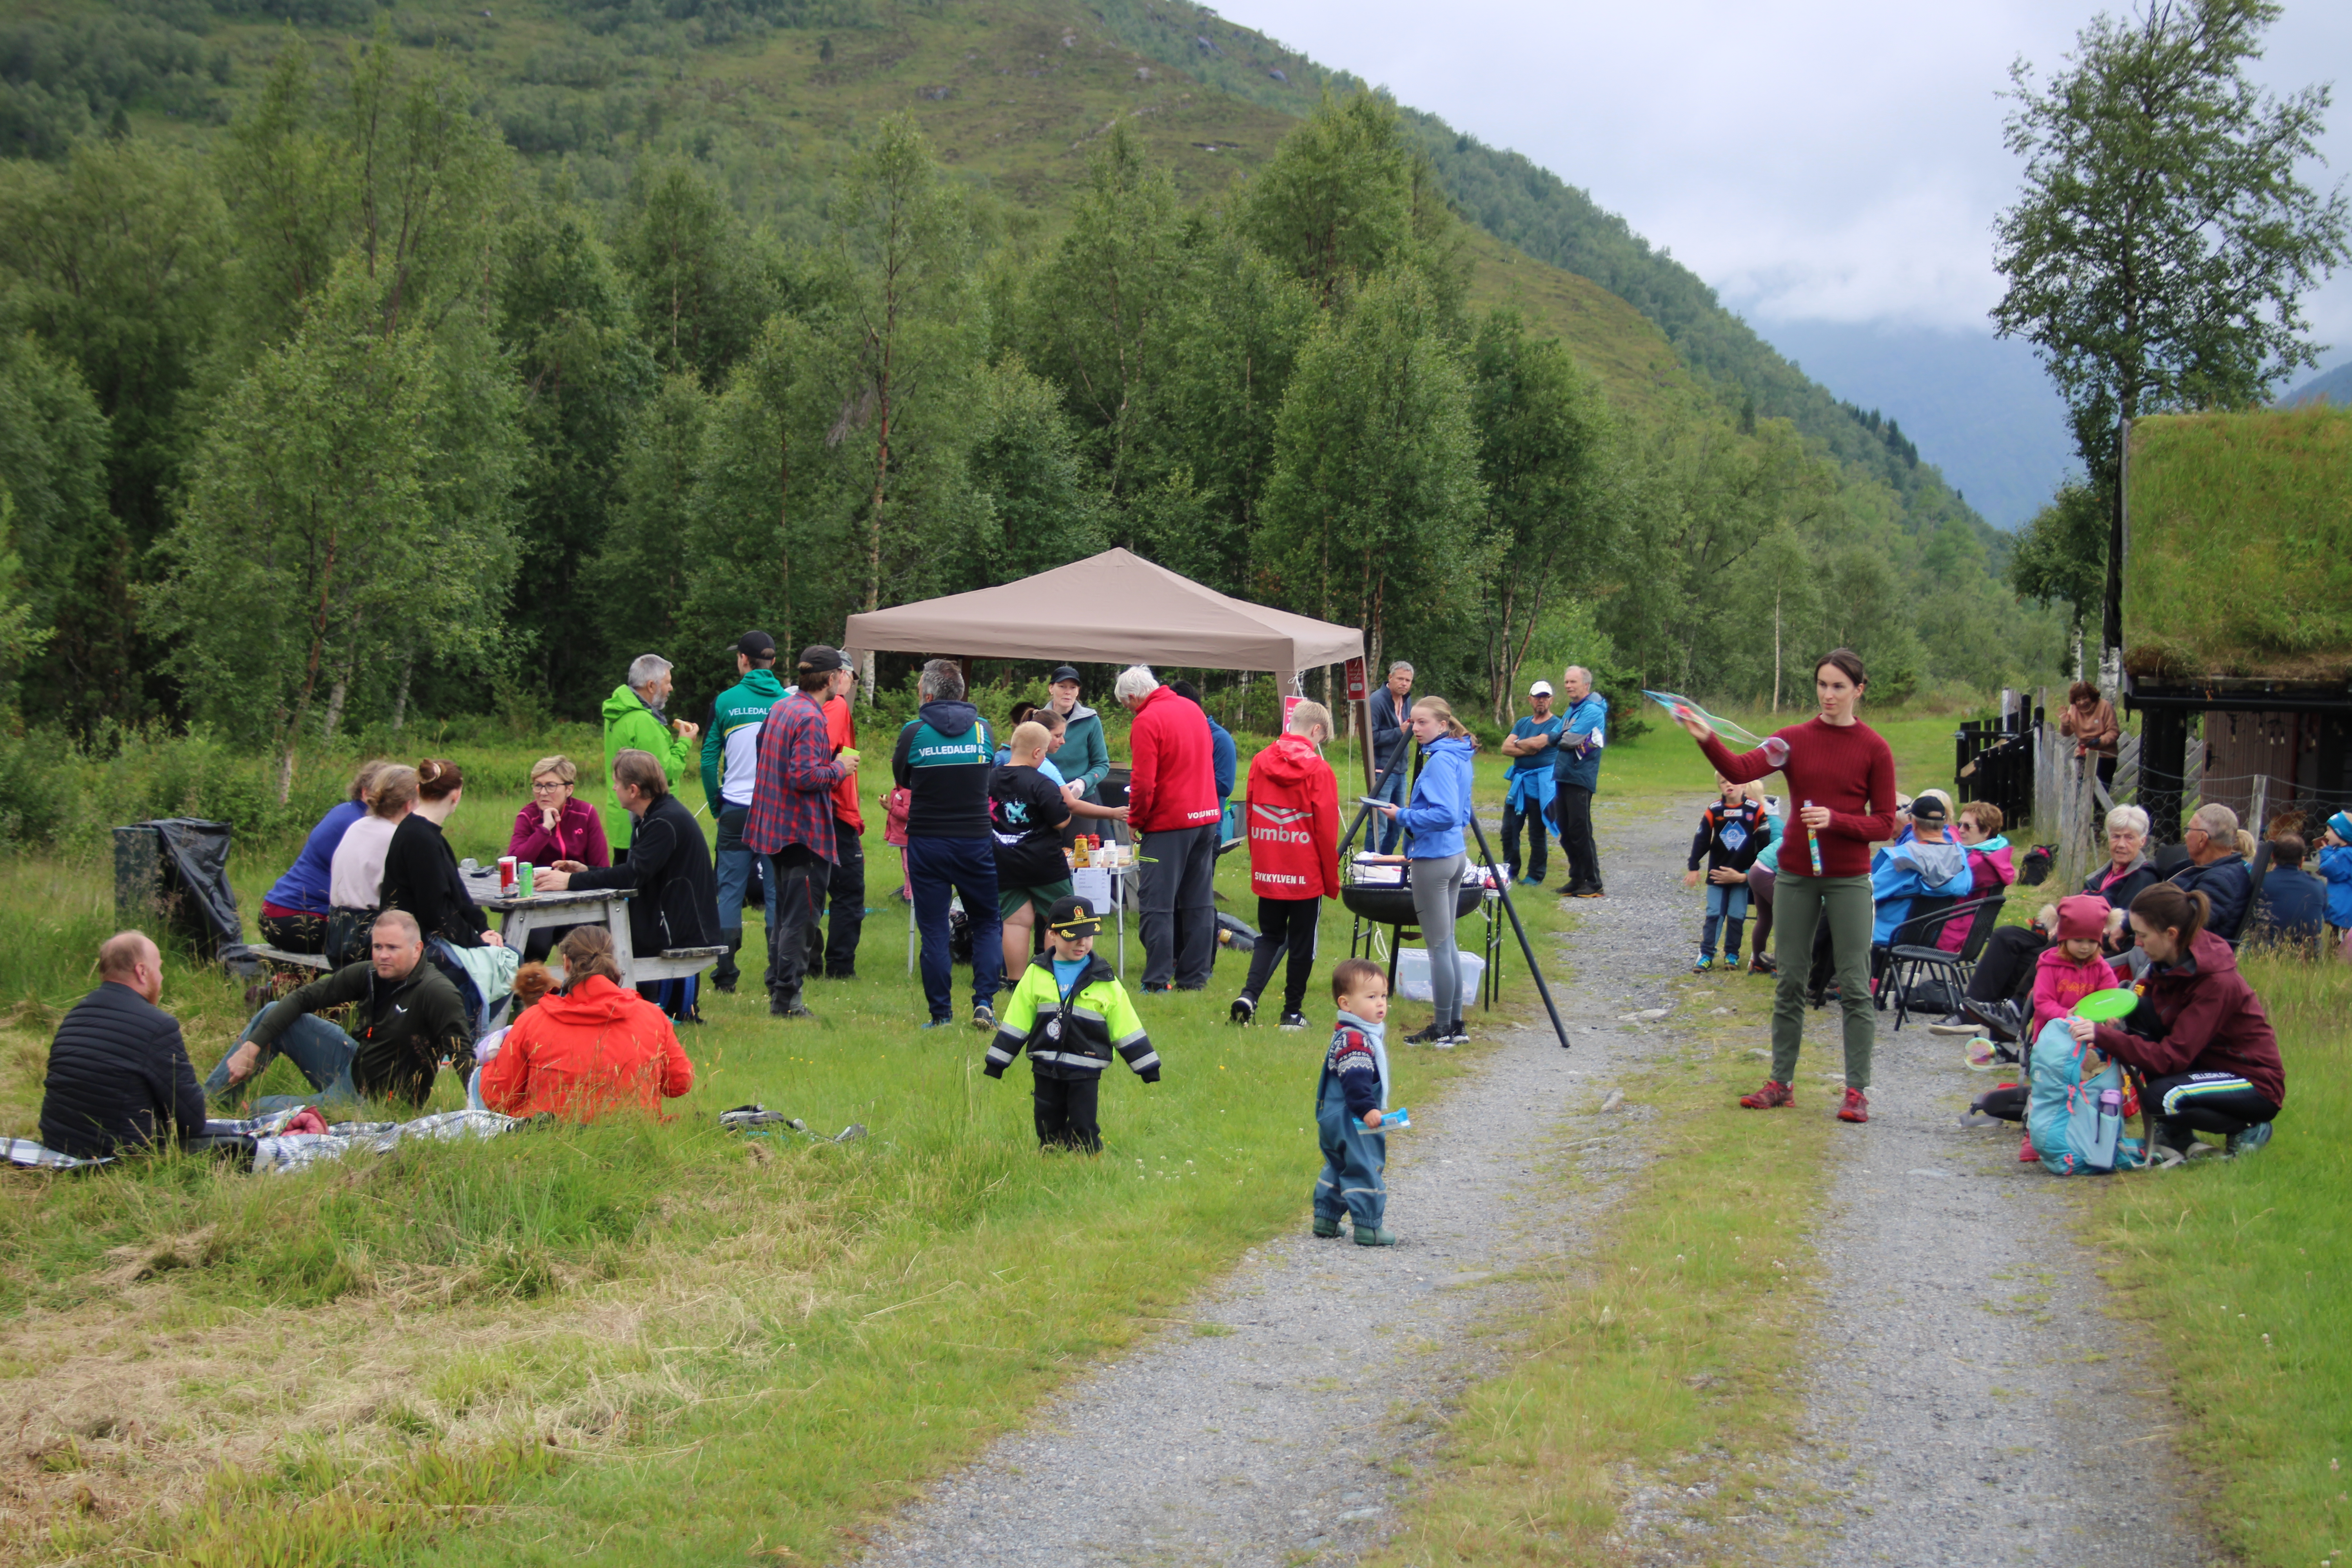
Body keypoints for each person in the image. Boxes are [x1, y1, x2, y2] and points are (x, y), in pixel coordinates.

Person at [1675, 648, 1899, 1123]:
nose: (1828, 694)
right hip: (1796, 875)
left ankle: (1857, 1091)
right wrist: (1706, 738)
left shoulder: (1875, 748)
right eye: (1822, 684)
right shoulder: (1792, 741)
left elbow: (1884, 824)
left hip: (1849, 879)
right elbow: (1739, 769)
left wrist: (1836, 820)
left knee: (1856, 986)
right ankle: (1782, 1083)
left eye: (1839, 686)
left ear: (1859, 690)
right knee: (1790, 981)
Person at [2076, 882, 2283, 1157]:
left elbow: (2170, 1059)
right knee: (2139, 1008)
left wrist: (2105, 1037)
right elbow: (2148, 1022)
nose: (2137, 943)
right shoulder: (2165, 965)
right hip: (2205, 1065)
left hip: (2253, 1083)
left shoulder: (2217, 983)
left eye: (2143, 936)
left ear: (2171, 934)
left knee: (2161, 1098)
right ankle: (2177, 1133)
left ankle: (2250, 1125)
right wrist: (2112, 1020)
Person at [206, 910, 469, 1111]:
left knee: (262, 1108)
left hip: (372, 1101)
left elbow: (464, 1056)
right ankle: (209, 1104)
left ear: (417, 949)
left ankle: (244, 1115)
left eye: (393, 948)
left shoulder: (437, 993)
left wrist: (490, 1112)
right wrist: (252, 1047)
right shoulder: (371, 974)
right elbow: (303, 998)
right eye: (378, 947)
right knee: (275, 1010)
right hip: (352, 1063)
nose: (383, 956)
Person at [537, 750, 722, 1020]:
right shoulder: (655, 816)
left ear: (633, 790)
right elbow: (636, 873)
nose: (613, 787)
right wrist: (588, 871)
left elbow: (632, 877)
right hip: (670, 920)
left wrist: (571, 881)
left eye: (617, 782)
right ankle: (590, 1005)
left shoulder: (663, 822)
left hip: (680, 929)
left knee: (595, 943)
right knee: (592, 934)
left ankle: (599, 1008)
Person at [982, 895, 1160, 1152]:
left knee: (1083, 1121)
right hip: (1045, 1064)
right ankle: (1051, 1150)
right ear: (1052, 934)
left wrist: (1146, 1065)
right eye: (1072, 936)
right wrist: (998, 1061)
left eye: (1088, 936)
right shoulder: (1036, 973)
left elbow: (1126, 1023)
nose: (1082, 943)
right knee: (1046, 1116)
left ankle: (1087, 1157)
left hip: (1086, 1067)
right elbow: (1017, 1020)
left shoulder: (1104, 978)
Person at [735, 646, 853, 1020]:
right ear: (832, 678)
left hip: (774, 829)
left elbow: (767, 754)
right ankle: (787, 1000)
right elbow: (803, 776)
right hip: (803, 833)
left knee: (786, 915)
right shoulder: (811, 718)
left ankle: (779, 987)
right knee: (800, 921)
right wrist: (838, 767)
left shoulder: (782, 708)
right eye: (841, 676)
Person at [476, 926, 694, 1122]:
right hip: (634, 1133)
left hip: (546, 1138)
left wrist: (488, 1066)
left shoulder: (532, 1020)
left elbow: (499, 1099)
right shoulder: (652, 1015)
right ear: (612, 961)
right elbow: (680, 1083)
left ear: (566, 963)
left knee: (480, 1073)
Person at [893, 658, 1004, 1029]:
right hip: (975, 839)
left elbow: (902, 778)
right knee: (988, 922)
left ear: (926, 694)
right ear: (962, 693)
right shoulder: (983, 729)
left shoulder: (914, 731)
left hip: (928, 841)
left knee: (935, 930)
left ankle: (941, 1016)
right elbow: (988, 776)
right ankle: (985, 1002)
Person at [38, 932, 205, 1160]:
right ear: (142, 971)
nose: (162, 977)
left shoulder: (74, 1016)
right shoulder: (158, 1026)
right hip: (118, 1155)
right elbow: (193, 1120)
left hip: (58, 1143)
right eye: (160, 968)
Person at [1372, 695, 1477, 1048]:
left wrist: (1401, 816)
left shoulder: (1439, 762)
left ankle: (1444, 1027)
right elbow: (1462, 813)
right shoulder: (1460, 754)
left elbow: (1446, 813)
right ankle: (1456, 1025)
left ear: (1443, 725)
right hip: (1454, 855)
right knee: (1447, 945)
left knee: (1439, 947)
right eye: (1413, 722)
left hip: (1434, 862)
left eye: (1423, 723)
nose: (1415, 729)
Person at [1231, 699, 1341, 1030]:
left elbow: (1250, 813)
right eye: (1322, 739)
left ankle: (1249, 996)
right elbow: (1325, 830)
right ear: (1316, 730)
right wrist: (1330, 879)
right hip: (1304, 870)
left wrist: (1261, 858)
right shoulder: (1320, 771)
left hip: (1270, 864)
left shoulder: (1260, 760)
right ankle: (1292, 1012)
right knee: (1302, 943)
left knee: (1270, 936)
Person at [1120, 664, 1221, 993]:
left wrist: (1136, 820)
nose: (1129, 711)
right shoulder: (1192, 709)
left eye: (1126, 706)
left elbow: (1143, 781)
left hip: (1168, 825)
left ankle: (1156, 978)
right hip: (1206, 818)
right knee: (1198, 902)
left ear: (1134, 697)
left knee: (1156, 903)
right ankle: (1195, 978)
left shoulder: (1147, 720)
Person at [700, 632, 788, 995]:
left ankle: (725, 976)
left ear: (743, 661)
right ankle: (777, 975)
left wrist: (717, 804)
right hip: (775, 812)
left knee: (730, 893)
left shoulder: (725, 701)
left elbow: (708, 760)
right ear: (772, 663)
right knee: (775, 893)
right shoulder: (787, 703)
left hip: (735, 809)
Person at [990, 720, 1094, 982]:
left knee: (1015, 921)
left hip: (1003, 862)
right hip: (1044, 865)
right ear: (1038, 753)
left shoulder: (989, 779)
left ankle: (1014, 980)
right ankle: (1056, 978)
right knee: (1061, 919)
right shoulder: (1042, 782)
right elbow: (1060, 820)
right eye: (1045, 752)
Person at [261, 760, 390, 954]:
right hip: (298, 916)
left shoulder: (345, 810)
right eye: (386, 794)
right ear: (365, 793)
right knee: (385, 942)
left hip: (276, 912)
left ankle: (277, 986)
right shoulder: (359, 825)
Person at [1311, 956, 1396, 1247]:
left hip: (1331, 1117)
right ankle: (1369, 1226)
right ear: (1346, 1004)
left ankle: (1326, 1218)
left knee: (1338, 1164)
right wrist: (1368, 1109)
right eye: (1371, 997)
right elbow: (1356, 1079)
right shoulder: (1357, 1041)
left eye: (1384, 996)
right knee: (1364, 1164)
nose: (1381, 1003)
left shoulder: (1348, 1034)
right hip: (1353, 1117)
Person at [379, 759, 503, 949]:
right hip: (416, 945)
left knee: (508, 955)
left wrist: (483, 929)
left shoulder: (427, 834)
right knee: (511, 960)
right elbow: (436, 911)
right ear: (456, 796)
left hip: (430, 937)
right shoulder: (419, 839)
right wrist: (478, 941)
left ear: (419, 790)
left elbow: (459, 895)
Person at [602, 654, 699, 858]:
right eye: (667, 683)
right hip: (645, 822)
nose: (671, 689)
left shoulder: (617, 713)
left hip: (621, 817)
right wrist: (684, 742)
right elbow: (665, 772)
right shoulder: (643, 722)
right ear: (651, 686)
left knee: (623, 880)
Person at [327, 764, 417, 963]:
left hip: (338, 936)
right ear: (410, 805)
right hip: (371, 943)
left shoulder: (358, 826)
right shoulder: (397, 837)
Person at [1684, 775, 1769, 971]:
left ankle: (1732, 955)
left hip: (1741, 876)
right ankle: (1706, 955)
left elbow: (1766, 844)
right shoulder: (1715, 810)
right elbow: (1702, 839)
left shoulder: (1755, 810)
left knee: (1737, 915)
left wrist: (1756, 871)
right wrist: (1694, 866)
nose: (1729, 784)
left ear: (1745, 785)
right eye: (1723, 782)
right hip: (1717, 874)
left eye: (1733, 780)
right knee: (1714, 914)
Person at [1867, 792, 1973, 947]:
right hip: (1928, 937)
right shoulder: (1960, 855)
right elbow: (1964, 888)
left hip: (1886, 935)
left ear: (1914, 823)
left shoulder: (1902, 858)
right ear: (1944, 823)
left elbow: (1868, 893)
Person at [2027, 895, 2123, 1042]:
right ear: (2064, 939)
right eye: (2078, 941)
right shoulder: (2050, 965)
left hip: (2088, 1033)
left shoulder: (2100, 967)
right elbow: (2043, 1001)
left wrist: (2110, 1015)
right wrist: (2065, 1015)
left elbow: (2109, 996)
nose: (2085, 947)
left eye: (2092, 941)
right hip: (2052, 1034)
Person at [1551, 665, 1609, 898]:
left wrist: (1565, 734)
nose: (1568, 686)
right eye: (1566, 682)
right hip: (1564, 774)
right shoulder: (1572, 710)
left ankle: (1594, 882)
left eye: (1573, 682)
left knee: (1580, 830)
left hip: (1580, 777)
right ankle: (1576, 879)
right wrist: (1563, 734)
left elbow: (1568, 740)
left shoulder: (1593, 711)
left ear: (1586, 685)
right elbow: (1554, 737)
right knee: (1565, 829)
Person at [1500, 680, 1563, 885]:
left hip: (1541, 784)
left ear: (1551, 700)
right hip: (1519, 784)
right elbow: (1505, 748)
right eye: (1538, 697)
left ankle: (1535, 876)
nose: (1541, 701)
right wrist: (1524, 745)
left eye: (1545, 697)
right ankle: (1510, 870)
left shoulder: (1556, 723)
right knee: (1509, 830)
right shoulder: (1523, 723)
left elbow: (1539, 744)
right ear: (1530, 699)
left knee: (1537, 832)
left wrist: (1519, 743)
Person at [508, 755, 610, 871]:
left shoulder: (585, 813)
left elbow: (602, 867)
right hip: (540, 884)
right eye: (538, 785)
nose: (543, 792)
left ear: (569, 790)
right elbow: (514, 865)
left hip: (578, 884)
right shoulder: (528, 816)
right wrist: (544, 830)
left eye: (551, 786)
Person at [2169, 802, 2253, 944]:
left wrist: (2128, 924)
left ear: (2203, 839)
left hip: (2185, 960)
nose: (2186, 836)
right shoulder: (2204, 868)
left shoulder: (2222, 880)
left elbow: (2181, 922)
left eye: (2189, 830)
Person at [1044, 666, 1112, 804]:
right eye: (1062, 687)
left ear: (1078, 691)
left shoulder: (1091, 721)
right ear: (1051, 689)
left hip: (1082, 798)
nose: (1068, 692)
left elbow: (1102, 764)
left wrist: (1084, 782)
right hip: (1045, 796)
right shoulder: (1038, 720)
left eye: (1073, 688)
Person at [1167, 679, 1238, 813]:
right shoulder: (1180, 735)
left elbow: (1225, 786)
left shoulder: (1220, 739)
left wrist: (1183, 776)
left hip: (1208, 824)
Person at [2246, 834, 2326, 948]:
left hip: (2265, 949)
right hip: (2308, 953)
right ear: (2302, 861)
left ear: (2273, 856)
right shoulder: (2318, 886)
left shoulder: (2259, 882)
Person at [1367, 661, 1414, 853]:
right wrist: (1399, 731)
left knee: (1398, 823)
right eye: (1401, 679)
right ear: (1390, 678)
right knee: (1380, 823)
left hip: (1401, 770)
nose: (1404, 684)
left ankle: (1385, 863)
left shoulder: (1407, 700)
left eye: (1408, 680)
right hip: (1382, 770)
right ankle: (1370, 864)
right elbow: (1370, 737)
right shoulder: (1376, 700)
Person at [1743, 785, 1783, 975]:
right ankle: (1777, 964)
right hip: (1766, 872)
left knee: (1766, 917)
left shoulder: (1772, 823)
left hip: (1759, 870)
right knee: (1788, 917)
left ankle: (1758, 963)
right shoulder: (1761, 818)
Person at [2059, 681, 2122, 795]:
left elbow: (2114, 731)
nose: (2082, 703)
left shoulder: (2105, 706)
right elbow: (2067, 733)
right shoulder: (2073, 709)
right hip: (2083, 753)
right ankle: (2078, 812)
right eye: (2078, 700)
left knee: (2100, 794)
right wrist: (2065, 724)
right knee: (2078, 790)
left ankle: (2099, 812)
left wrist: (2101, 742)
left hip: (2105, 755)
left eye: (2085, 698)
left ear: (2092, 697)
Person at [2320, 811, 2352, 946]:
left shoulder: (2345, 855)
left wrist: (2326, 851)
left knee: (2338, 946)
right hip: (2344, 911)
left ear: (2341, 833)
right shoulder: (2342, 853)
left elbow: (2327, 869)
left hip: (2341, 912)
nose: (2326, 835)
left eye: (2329, 830)